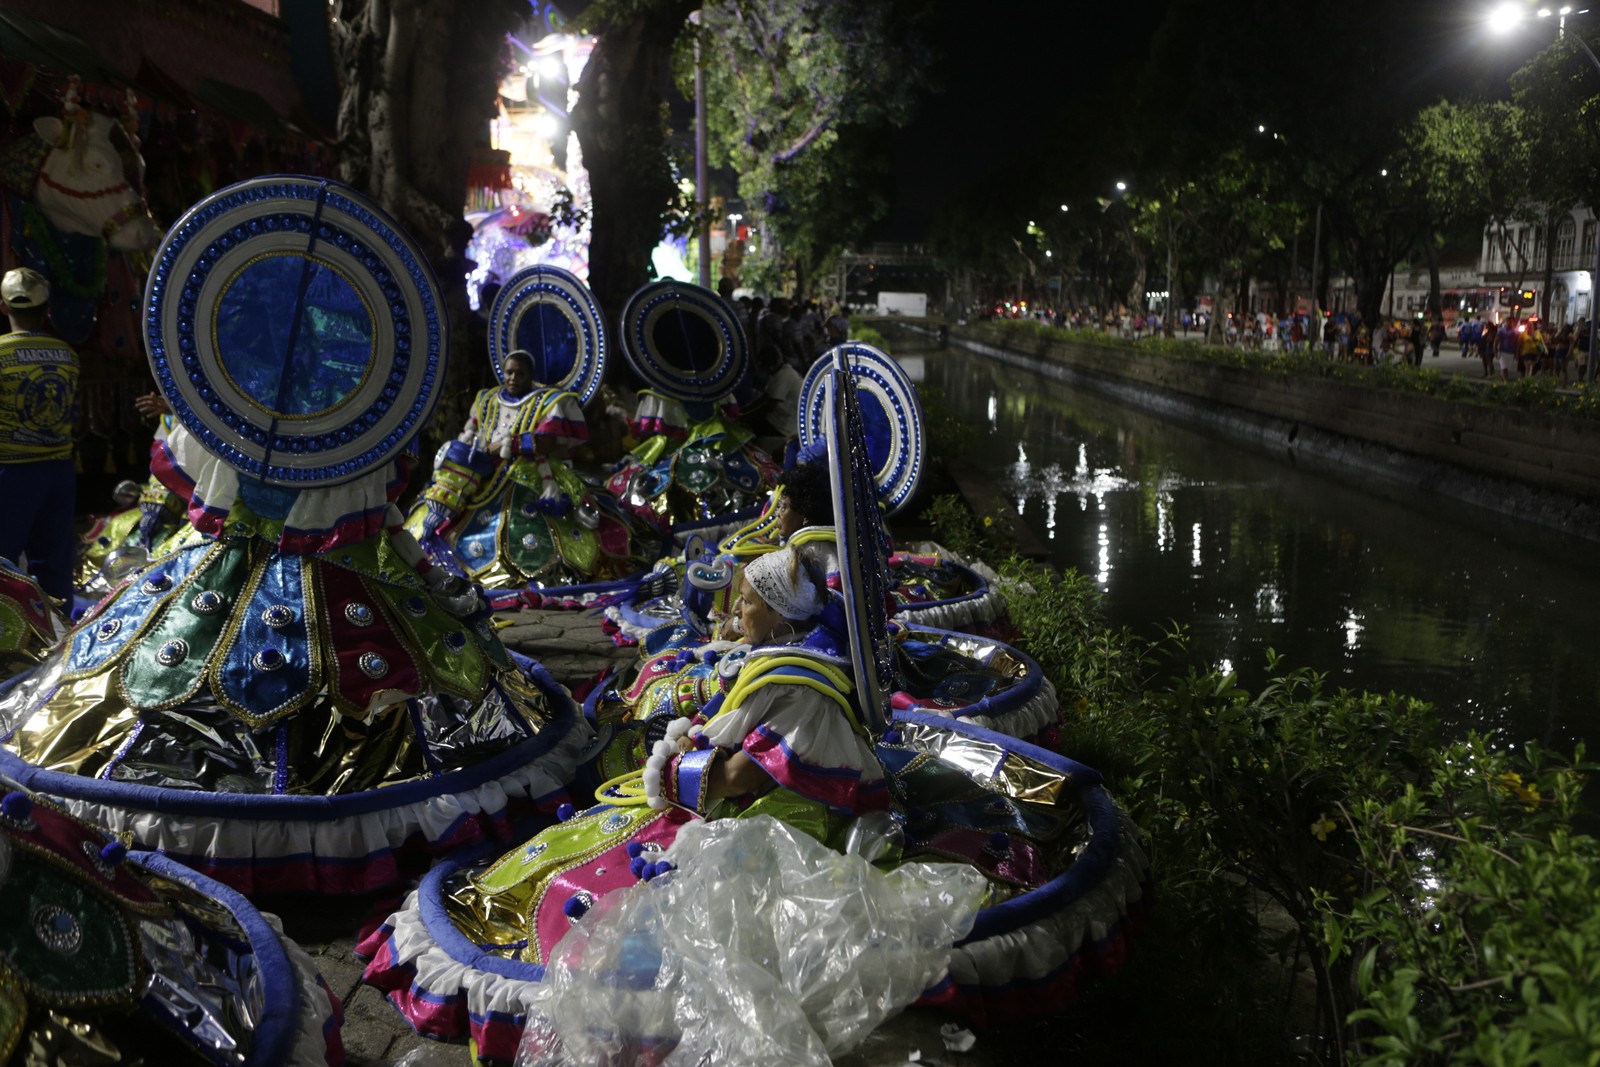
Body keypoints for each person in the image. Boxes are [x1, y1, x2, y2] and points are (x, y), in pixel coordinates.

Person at [411, 348, 638, 586]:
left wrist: (507, 444)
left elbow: (546, 441)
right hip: (483, 471)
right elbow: (472, 432)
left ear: (530, 375)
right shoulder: (487, 400)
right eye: (509, 372)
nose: (512, 378)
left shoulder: (548, 401)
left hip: (531, 473)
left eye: (520, 373)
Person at [0, 267, 78, 599]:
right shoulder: (68, 356)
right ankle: (59, 640)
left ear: (4, 307)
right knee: (55, 566)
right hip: (59, 471)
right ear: (47, 309)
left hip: (11, 473)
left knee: (2, 563)